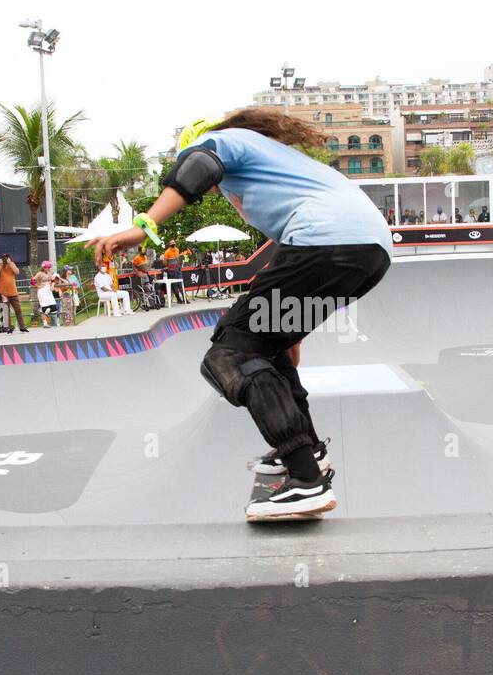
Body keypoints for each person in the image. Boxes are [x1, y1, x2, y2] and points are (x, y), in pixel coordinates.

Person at [91, 109, 392, 520]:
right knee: (267, 346)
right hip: (368, 253)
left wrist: (143, 226)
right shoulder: (281, 169)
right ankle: (309, 453)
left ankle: (306, 481)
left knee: (228, 356)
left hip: (329, 242)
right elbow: (292, 274)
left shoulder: (227, 142)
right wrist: (283, 341)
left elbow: (200, 163)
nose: (214, 191)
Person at [0, 253, 28, 333]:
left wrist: (10, 263)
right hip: (3, 293)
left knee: (18, 310)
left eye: (6, 258)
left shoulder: (11, 265)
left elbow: (17, 272)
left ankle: (22, 326)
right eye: (3, 259)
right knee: (5, 310)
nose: (5, 260)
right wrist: (0, 265)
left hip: (13, 292)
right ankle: (8, 327)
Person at [34, 260, 62, 327]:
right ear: (43, 267)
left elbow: (52, 280)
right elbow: (32, 280)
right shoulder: (39, 273)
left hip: (49, 291)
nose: (48, 269)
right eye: (47, 267)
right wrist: (38, 286)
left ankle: (41, 310)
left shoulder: (49, 273)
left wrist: (52, 285)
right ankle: (45, 323)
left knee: (53, 307)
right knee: (45, 308)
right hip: (42, 291)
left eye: (49, 267)